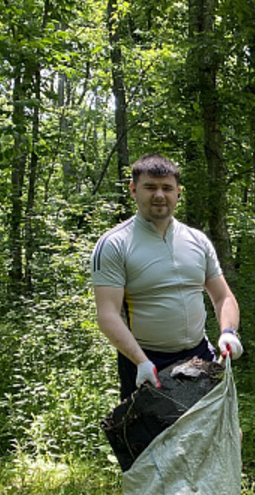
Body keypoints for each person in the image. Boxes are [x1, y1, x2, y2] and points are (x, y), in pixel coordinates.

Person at [91, 154, 243, 401]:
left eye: (167, 188)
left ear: (178, 192)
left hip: (200, 356)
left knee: (222, 434)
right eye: (150, 187)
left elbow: (222, 296)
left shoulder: (198, 241)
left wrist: (228, 332)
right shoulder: (114, 244)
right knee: (152, 439)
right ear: (133, 189)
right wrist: (141, 361)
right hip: (146, 361)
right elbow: (107, 314)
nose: (159, 195)